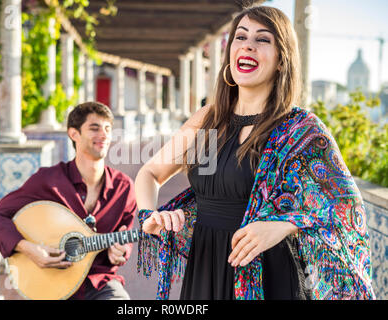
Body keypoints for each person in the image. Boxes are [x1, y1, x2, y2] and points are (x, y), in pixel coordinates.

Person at [135, 6, 375, 300]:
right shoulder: (207, 119)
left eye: (263, 39)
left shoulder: (301, 130)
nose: (248, 44)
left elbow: (345, 210)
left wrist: (285, 225)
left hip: (270, 276)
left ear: (280, 61)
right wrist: (149, 214)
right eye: (240, 36)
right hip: (205, 270)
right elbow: (149, 173)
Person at [0, 101, 137, 300]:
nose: (104, 135)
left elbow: (124, 238)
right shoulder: (48, 180)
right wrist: (29, 249)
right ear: (74, 134)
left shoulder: (124, 188)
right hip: (51, 284)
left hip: (100, 283)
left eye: (108, 129)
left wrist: (121, 252)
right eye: (94, 128)